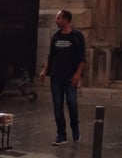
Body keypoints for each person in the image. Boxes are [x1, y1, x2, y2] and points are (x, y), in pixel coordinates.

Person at [40, 9, 86, 146]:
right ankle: (61, 134)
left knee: (72, 104)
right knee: (57, 106)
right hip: (56, 76)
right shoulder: (55, 37)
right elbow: (51, 56)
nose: (56, 20)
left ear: (66, 20)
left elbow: (82, 57)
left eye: (58, 18)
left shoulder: (77, 36)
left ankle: (75, 128)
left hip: (70, 77)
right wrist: (44, 70)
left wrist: (78, 74)